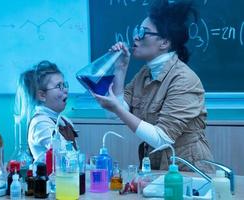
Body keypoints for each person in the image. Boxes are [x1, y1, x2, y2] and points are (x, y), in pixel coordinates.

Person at [92, 0, 214, 172]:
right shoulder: (144, 74)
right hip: (157, 165)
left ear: (164, 42)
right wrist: (120, 68)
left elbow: (162, 138)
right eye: (137, 30)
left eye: (143, 33)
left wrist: (117, 109)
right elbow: (113, 113)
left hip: (188, 168)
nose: (136, 37)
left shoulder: (184, 79)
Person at [15, 60, 78, 163]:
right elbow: (65, 155)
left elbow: (74, 155)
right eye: (58, 86)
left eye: (64, 85)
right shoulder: (40, 123)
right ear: (42, 95)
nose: (65, 90)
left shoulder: (64, 120)